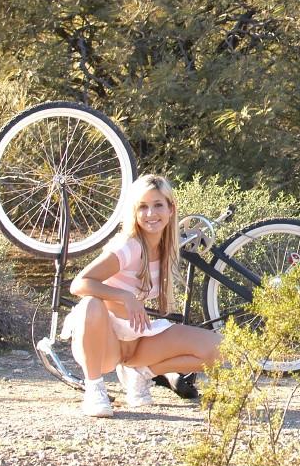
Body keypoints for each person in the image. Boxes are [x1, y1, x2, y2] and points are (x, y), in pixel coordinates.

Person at [61, 173, 220, 417]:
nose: (150, 214)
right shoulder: (129, 246)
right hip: (104, 342)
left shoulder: (166, 247)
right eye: (142, 207)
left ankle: (142, 372)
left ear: (170, 208)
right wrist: (125, 297)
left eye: (157, 205)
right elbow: (79, 283)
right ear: (134, 212)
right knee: (90, 304)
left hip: (137, 338)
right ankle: (94, 389)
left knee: (220, 350)